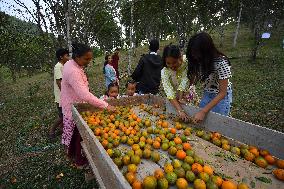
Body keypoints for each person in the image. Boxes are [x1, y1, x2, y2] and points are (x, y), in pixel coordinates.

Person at [61, 43, 115, 168]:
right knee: (79, 136)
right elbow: (85, 95)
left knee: (75, 135)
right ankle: (80, 161)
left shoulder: (70, 63)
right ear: (77, 56)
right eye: (86, 59)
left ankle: (73, 155)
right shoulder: (73, 71)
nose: (89, 61)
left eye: (90, 58)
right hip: (73, 106)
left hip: (72, 102)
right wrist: (105, 105)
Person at [186, 32, 233, 123]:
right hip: (207, 93)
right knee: (202, 122)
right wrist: (189, 89)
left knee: (216, 124)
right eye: (193, 53)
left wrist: (203, 111)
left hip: (221, 98)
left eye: (197, 53)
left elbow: (222, 93)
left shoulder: (221, 62)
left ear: (206, 51)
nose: (194, 56)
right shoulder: (199, 60)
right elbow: (195, 75)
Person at [161, 44, 191, 122]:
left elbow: (186, 79)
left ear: (180, 57)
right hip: (174, 100)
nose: (171, 66)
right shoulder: (165, 71)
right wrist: (180, 110)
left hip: (188, 96)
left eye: (174, 62)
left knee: (191, 118)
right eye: (168, 63)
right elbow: (169, 92)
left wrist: (181, 94)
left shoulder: (187, 63)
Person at [49, 48, 70, 139]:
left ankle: (62, 129)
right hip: (61, 97)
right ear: (61, 57)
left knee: (64, 115)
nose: (68, 57)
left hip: (64, 95)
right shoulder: (58, 67)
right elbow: (59, 82)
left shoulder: (64, 65)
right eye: (67, 55)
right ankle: (52, 130)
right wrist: (65, 95)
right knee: (62, 116)